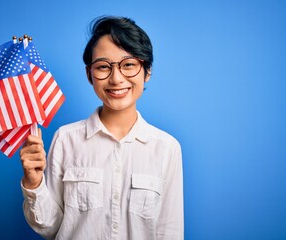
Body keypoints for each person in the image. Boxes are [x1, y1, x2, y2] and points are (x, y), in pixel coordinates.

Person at [20, 16, 184, 240]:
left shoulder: (167, 148)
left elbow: (170, 232)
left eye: (128, 65)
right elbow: (50, 227)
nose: (116, 78)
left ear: (147, 71)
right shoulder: (66, 139)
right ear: (90, 75)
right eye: (103, 67)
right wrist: (34, 183)